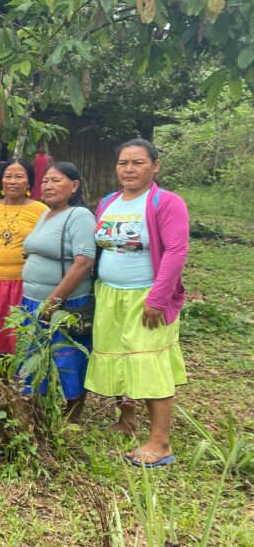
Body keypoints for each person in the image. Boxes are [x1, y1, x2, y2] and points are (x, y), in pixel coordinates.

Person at [87, 139, 189, 467]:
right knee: (119, 357)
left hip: (145, 296)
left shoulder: (166, 202)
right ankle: (126, 419)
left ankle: (160, 443)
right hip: (109, 294)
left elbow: (176, 251)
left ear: (155, 166)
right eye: (123, 163)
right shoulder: (108, 202)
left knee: (149, 362)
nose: (129, 169)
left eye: (138, 162)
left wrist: (157, 299)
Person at [21, 162, 96, 416]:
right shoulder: (46, 214)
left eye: (56, 180)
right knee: (36, 355)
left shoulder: (79, 216)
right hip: (34, 301)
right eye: (45, 181)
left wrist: (54, 299)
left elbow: (84, 262)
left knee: (68, 357)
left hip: (63, 305)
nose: (48, 186)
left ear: (74, 186)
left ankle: (72, 416)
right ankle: (40, 409)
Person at [0, 158, 46, 354]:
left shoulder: (41, 210)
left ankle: (17, 369)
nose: (13, 181)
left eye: (19, 177)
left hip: (23, 283)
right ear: (1, 180)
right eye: (8, 177)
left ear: (29, 182)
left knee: (19, 331)